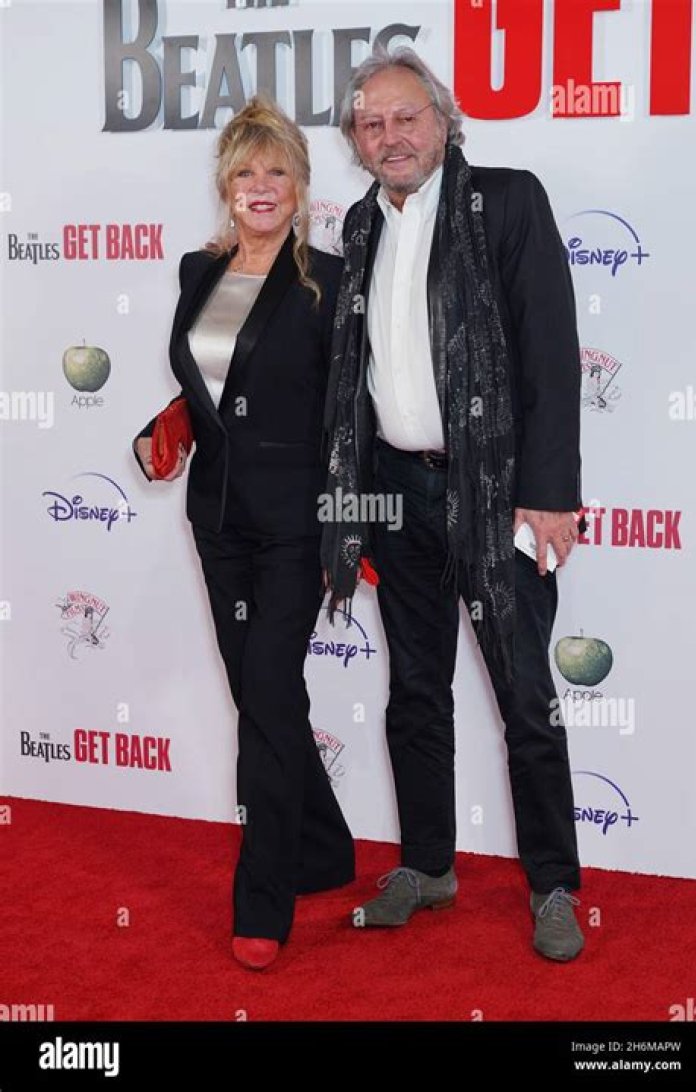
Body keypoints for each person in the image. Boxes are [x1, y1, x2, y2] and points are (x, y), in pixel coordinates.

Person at [321, 47, 585, 961]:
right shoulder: (360, 225)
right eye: (372, 123)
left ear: (443, 121)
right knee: (414, 693)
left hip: (498, 493)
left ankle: (555, 884)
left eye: (407, 117)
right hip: (396, 493)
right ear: (356, 140)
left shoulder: (505, 202)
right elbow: (352, 379)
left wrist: (549, 494)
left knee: (526, 697)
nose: (391, 136)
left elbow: (550, 350)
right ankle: (429, 866)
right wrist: (350, 508)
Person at [133, 96, 355, 971]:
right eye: (244, 172)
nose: (260, 186)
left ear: (300, 186)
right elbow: (211, 385)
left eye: (277, 171)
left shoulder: (329, 281)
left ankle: (263, 901)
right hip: (218, 521)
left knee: (264, 694)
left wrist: (352, 527)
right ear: (226, 185)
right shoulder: (199, 270)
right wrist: (168, 425)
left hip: (297, 527)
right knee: (265, 696)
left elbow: (346, 415)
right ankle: (325, 848)